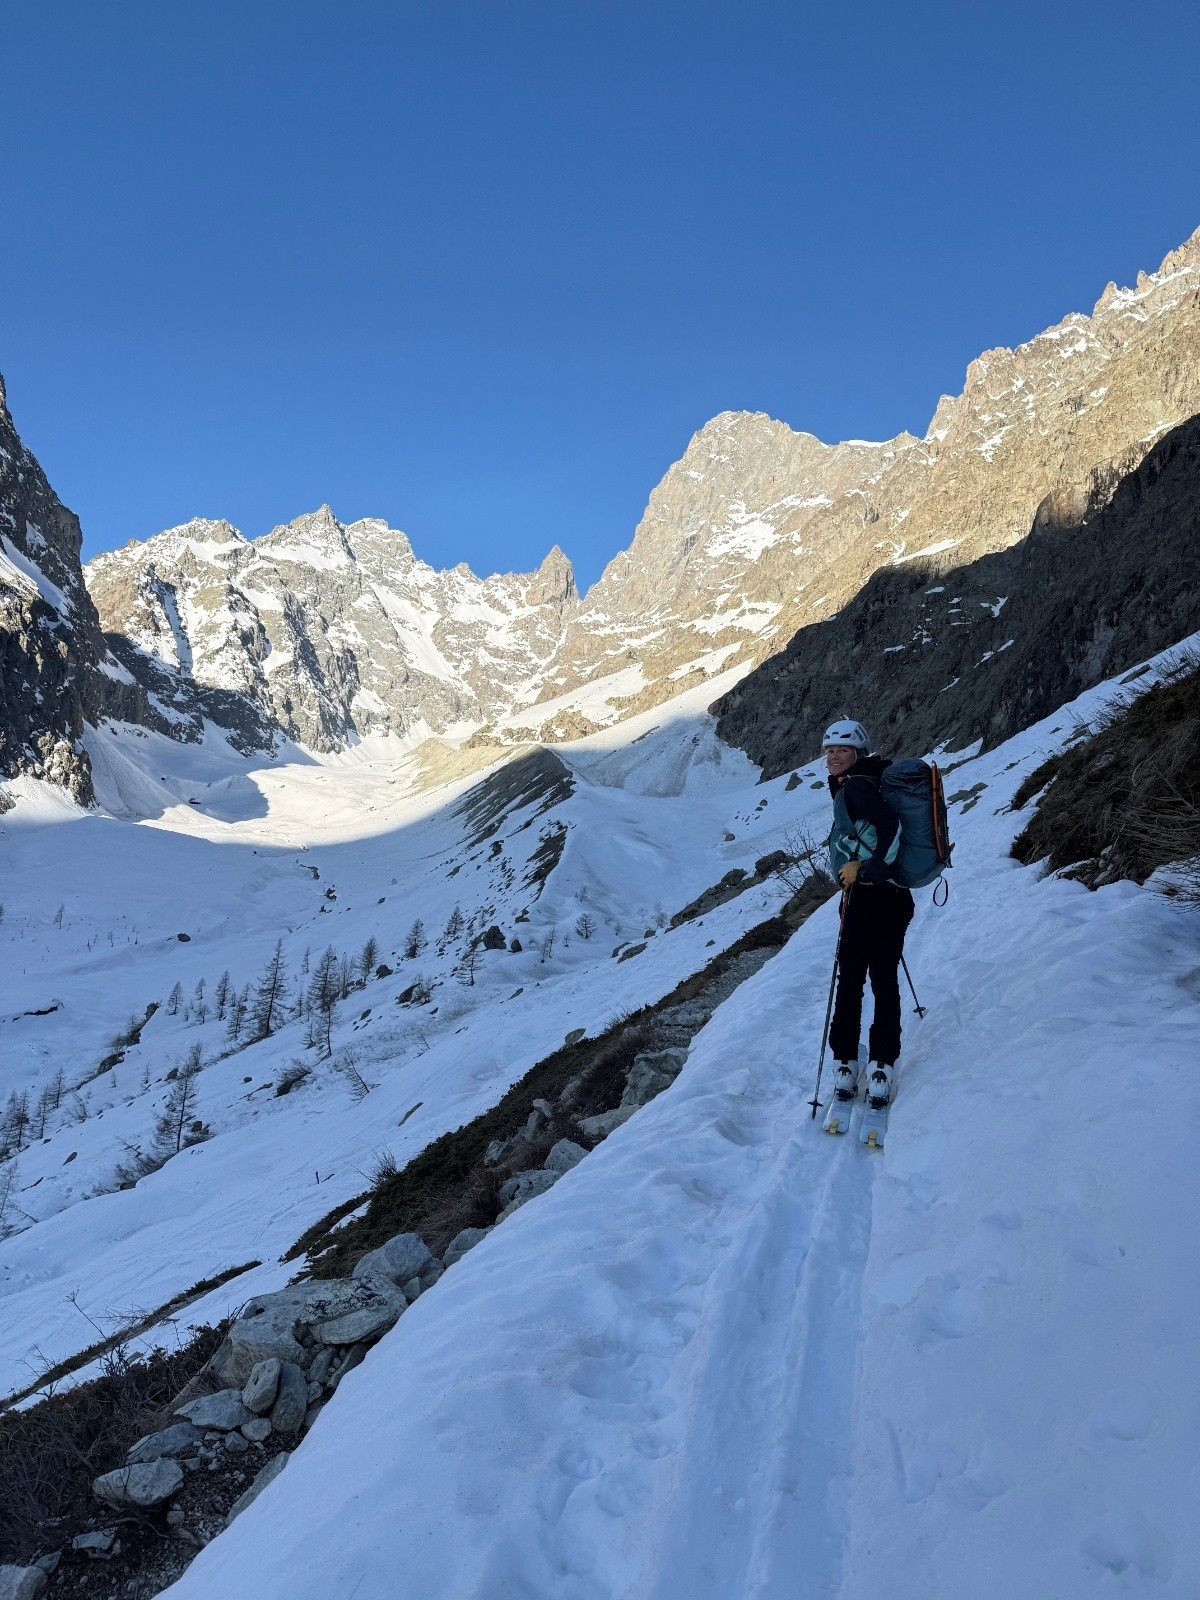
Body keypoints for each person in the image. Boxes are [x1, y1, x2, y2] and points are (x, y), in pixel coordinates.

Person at [823, 719, 914, 1109]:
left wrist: (865, 870)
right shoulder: (865, 780)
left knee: (852, 983)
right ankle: (882, 1067)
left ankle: (846, 1063)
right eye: (829, 750)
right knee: (883, 981)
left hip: (869, 899)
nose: (833, 757)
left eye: (842, 750)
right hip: (892, 901)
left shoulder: (858, 786)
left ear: (858, 753)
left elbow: (889, 825)